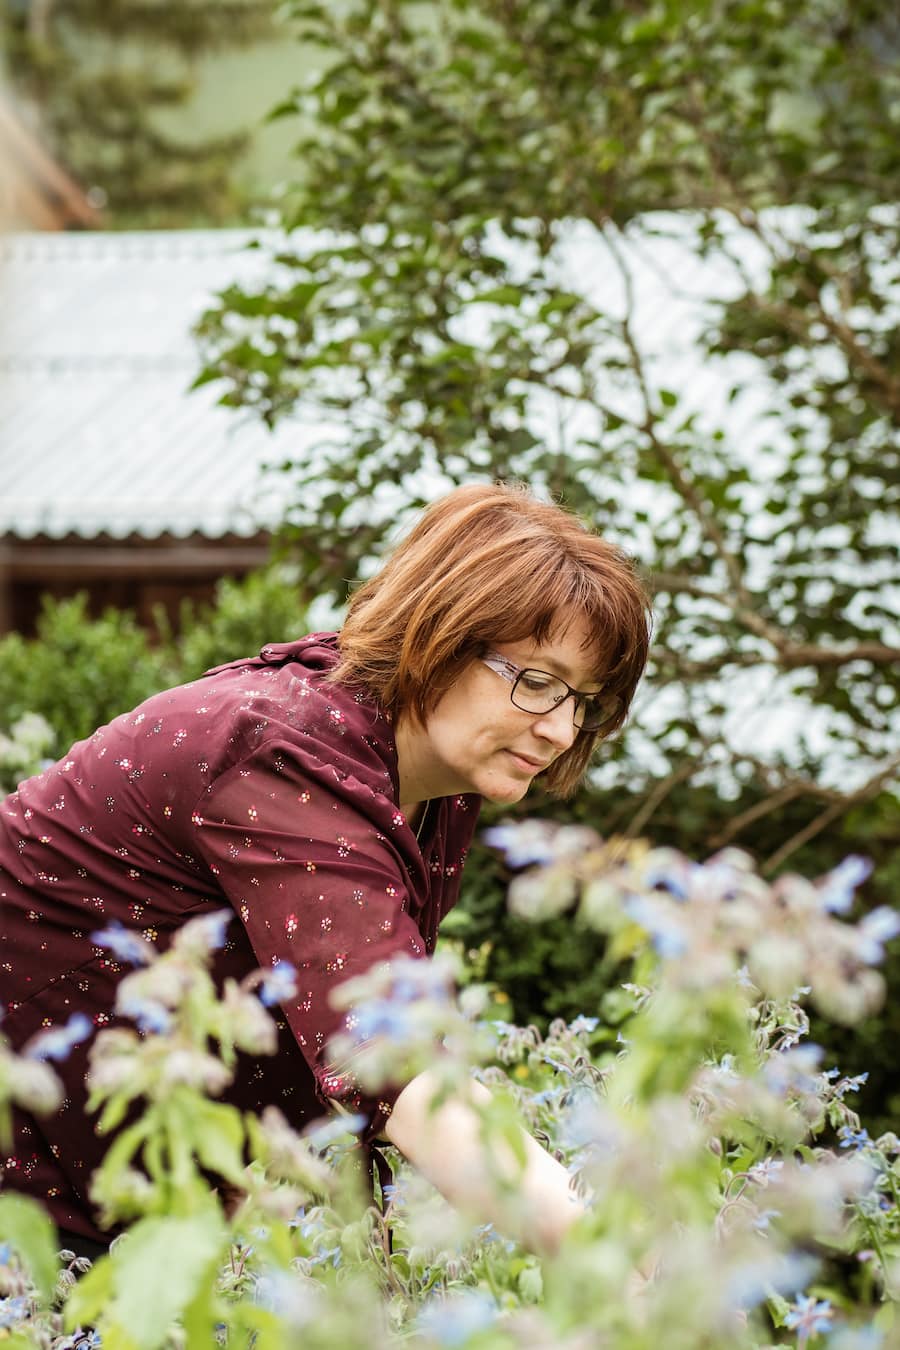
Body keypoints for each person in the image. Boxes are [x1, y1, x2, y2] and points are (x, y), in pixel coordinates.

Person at [0, 482, 651, 1257]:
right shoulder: (287, 756)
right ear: (439, 632)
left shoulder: (425, 779)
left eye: (584, 700)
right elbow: (396, 1063)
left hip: (130, 1167)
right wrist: (611, 1258)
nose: (559, 728)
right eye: (537, 681)